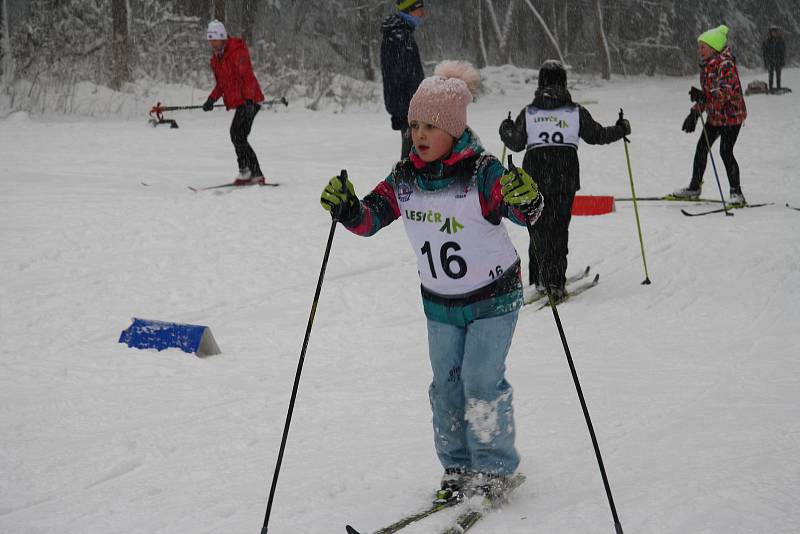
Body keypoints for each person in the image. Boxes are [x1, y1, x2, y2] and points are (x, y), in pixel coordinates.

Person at [319, 61, 543, 497]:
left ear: (455, 130)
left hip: (493, 298)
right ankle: (458, 467)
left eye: (430, 126)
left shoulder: (483, 172)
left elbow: (523, 212)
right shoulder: (405, 177)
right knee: (446, 387)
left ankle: (494, 467)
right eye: (414, 125)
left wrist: (527, 197)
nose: (419, 135)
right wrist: (347, 209)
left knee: (481, 381)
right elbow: (370, 219)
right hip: (440, 304)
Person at [498, 60, 628, 300]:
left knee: (537, 228)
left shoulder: (530, 112)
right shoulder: (574, 111)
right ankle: (555, 282)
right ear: (564, 83)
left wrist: (505, 128)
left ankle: (538, 278)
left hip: (534, 179)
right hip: (564, 178)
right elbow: (597, 135)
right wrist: (621, 129)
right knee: (558, 230)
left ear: (540, 83)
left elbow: (515, 143)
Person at [672, 25, 747, 206]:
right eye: (699, 47)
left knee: (725, 151)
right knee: (701, 148)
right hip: (715, 117)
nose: (700, 51)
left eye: (703, 47)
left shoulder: (726, 64)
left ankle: (737, 194)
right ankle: (694, 187)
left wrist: (704, 96)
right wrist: (695, 113)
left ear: (713, 47)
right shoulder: (706, 67)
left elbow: (726, 92)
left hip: (731, 116)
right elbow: (708, 94)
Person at [202, 20, 266, 185]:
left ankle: (250, 172)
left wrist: (250, 99)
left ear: (222, 37)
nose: (212, 43)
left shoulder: (237, 52)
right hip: (242, 102)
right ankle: (250, 172)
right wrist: (211, 99)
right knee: (239, 137)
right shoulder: (216, 60)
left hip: (251, 100)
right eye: (210, 40)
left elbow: (247, 76)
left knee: (237, 135)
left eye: (215, 40)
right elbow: (222, 84)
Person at [380, 0, 426, 158]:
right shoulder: (398, 37)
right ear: (408, 10)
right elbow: (395, 78)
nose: (422, 14)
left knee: (415, 157)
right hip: (407, 109)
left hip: (411, 107)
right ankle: (403, 183)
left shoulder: (403, 34)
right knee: (411, 159)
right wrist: (401, 112)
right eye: (419, 9)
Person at [762, 26, 786, 93]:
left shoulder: (781, 41)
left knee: (778, 74)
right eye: (773, 32)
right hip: (770, 60)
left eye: (776, 32)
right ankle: (771, 87)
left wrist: (783, 60)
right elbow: (764, 53)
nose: (775, 33)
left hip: (778, 60)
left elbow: (783, 52)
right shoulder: (767, 42)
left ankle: (778, 86)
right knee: (771, 74)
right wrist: (765, 63)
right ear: (770, 33)